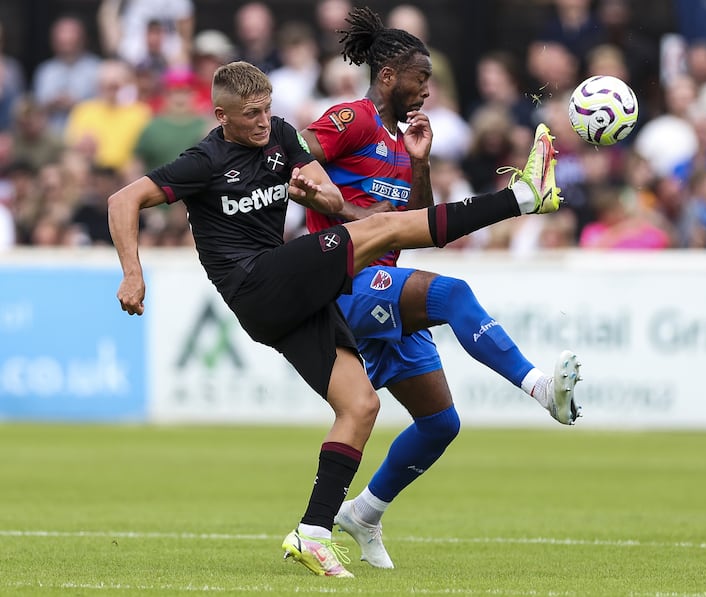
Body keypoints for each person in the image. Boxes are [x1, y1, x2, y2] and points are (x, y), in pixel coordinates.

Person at [108, 60, 572, 578]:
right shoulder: (204, 160)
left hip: (288, 298)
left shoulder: (281, 137)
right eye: (251, 114)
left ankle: (313, 532)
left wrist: (325, 196)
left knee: (361, 405)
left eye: (267, 110)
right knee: (386, 233)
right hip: (257, 284)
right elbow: (123, 199)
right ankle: (522, 197)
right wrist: (133, 273)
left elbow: (323, 189)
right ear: (221, 116)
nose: (263, 122)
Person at [301, 7, 582, 570]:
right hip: (344, 283)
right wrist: (357, 217)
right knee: (451, 296)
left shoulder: (399, 139)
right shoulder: (350, 119)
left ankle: (363, 514)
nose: (428, 88)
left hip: (384, 284)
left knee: (440, 424)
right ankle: (540, 389)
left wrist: (419, 164)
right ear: (388, 76)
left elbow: (419, 225)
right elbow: (296, 170)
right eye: (421, 77)